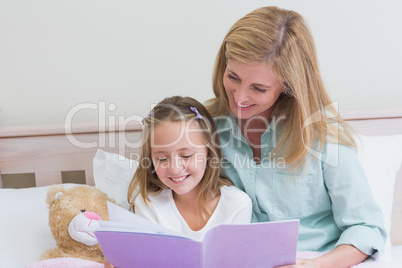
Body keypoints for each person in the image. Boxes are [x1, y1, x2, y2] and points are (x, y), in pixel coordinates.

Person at [206, 6, 387, 268]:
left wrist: (311, 266)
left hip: (312, 258)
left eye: (259, 88)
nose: (239, 97)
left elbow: (366, 228)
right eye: (233, 76)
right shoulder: (204, 126)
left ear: (288, 85)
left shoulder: (323, 137)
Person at [103, 96, 252, 267]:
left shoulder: (237, 205)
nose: (174, 168)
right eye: (162, 158)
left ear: (209, 152)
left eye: (186, 155)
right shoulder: (149, 205)